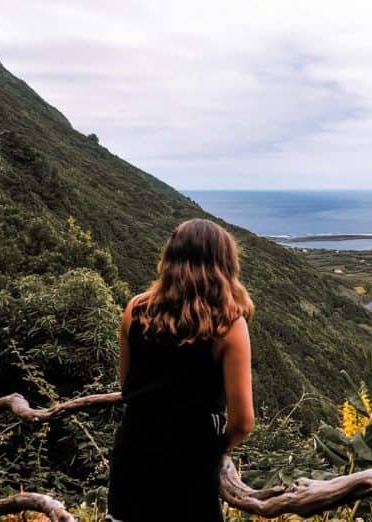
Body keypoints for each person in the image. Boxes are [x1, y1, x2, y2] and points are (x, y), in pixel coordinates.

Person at [106, 219, 255, 522]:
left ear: (170, 258)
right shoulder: (228, 324)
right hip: (191, 462)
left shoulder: (135, 310)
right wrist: (215, 449)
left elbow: (128, 388)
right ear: (224, 264)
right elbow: (243, 422)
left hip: (132, 451)